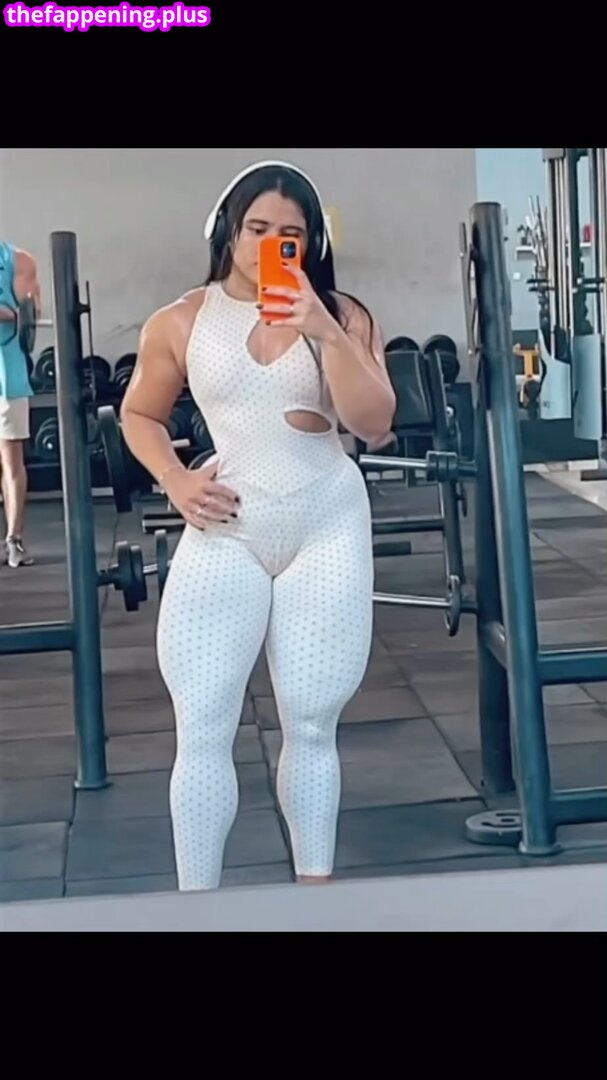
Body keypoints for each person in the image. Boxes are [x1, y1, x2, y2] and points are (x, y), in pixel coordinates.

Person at [120, 160, 396, 891]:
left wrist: (325, 333)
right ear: (228, 232)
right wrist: (175, 479)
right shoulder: (181, 319)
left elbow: (373, 423)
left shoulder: (344, 316)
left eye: (290, 234)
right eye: (257, 229)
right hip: (230, 524)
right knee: (202, 725)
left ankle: (316, 899)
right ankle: (197, 905)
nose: (271, 245)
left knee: (311, 723)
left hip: (326, 520)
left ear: (312, 243)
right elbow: (139, 413)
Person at [0, 240, 40, 569]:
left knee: (11, 461)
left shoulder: (18, 261)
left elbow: (29, 313)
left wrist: (11, 314)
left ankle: (14, 540)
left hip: (7, 377)